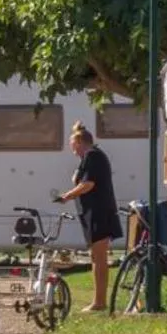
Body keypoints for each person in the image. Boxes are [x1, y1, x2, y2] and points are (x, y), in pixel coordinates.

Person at [53, 123, 119, 312]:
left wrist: (66, 196)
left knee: (99, 257)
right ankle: (98, 300)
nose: (72, 149)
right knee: (95, 256)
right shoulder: (87, 158)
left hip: (99, 212)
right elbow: (80, 179)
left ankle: (99, 302)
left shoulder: (93, 156)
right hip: (92, 213)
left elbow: (88, 184)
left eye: (73, 144)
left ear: (81, 142)